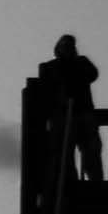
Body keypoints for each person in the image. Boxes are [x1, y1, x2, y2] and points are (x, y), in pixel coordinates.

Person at [35, 33, 104, 180]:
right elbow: (45, 88)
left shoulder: (82, 63)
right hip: (63, 115)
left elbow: (93, 74)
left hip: (83, 113)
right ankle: (69, 181)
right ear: (58, 49)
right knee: (64, 151)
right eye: (65, 46)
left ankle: (95, 181)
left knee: (91, 149)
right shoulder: (52, 67)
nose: (69, 49)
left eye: (70, 46)